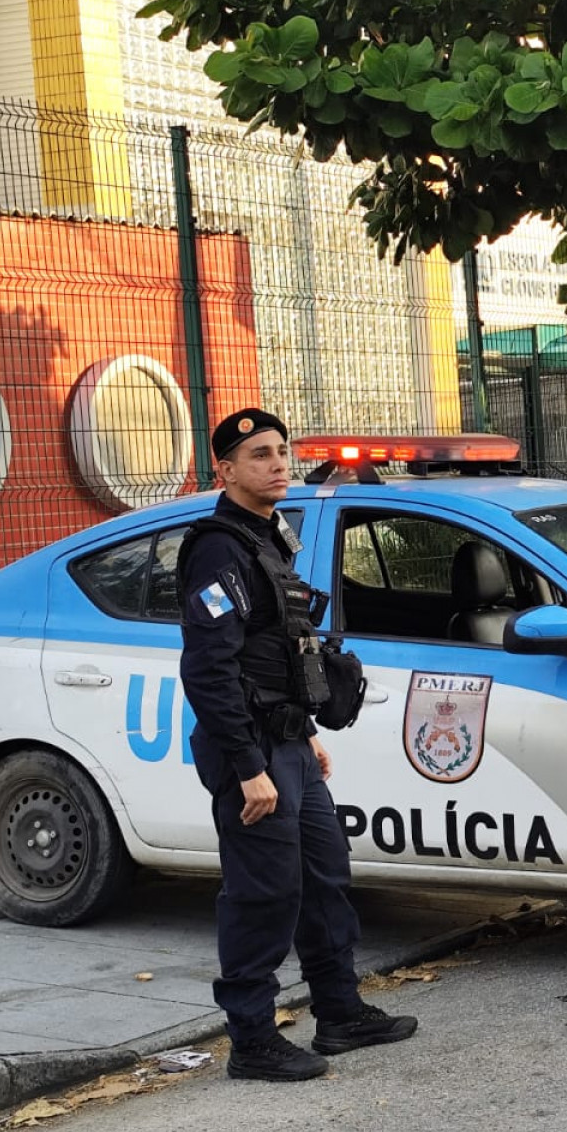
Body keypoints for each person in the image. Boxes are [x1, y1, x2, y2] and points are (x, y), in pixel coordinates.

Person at [178, 407, 417, 1082]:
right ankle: (252, 1041)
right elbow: (208, 668)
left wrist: (305, 735)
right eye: (259, 454)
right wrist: (251, 767)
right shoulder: (218, 548)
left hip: (287, 743)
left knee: (324, 875)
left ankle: (339, 1013)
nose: (277, 463)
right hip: (250, 752)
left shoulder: (268, 536)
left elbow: (276, 651)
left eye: (281, 451)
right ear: (225, 470)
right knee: (264, 894)